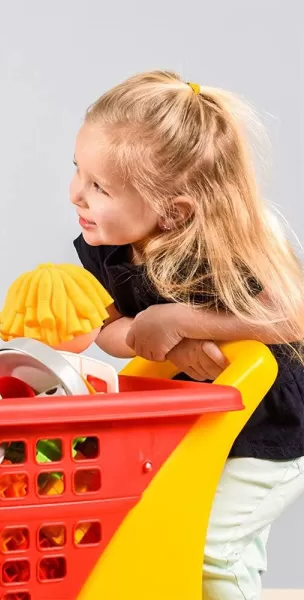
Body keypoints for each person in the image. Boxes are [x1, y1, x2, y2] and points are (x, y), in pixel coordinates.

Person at [72, 70, 304, 599]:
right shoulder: (107, 244)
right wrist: (138, 333)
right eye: (77, 172)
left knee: (211, 546)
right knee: (205, 544)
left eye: (99, 186)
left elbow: (292, 317)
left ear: (175, 213)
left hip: (270, 430)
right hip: (194, 424)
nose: (75, 195)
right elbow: (106, 328)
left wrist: (182, 320)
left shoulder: (234, 240)